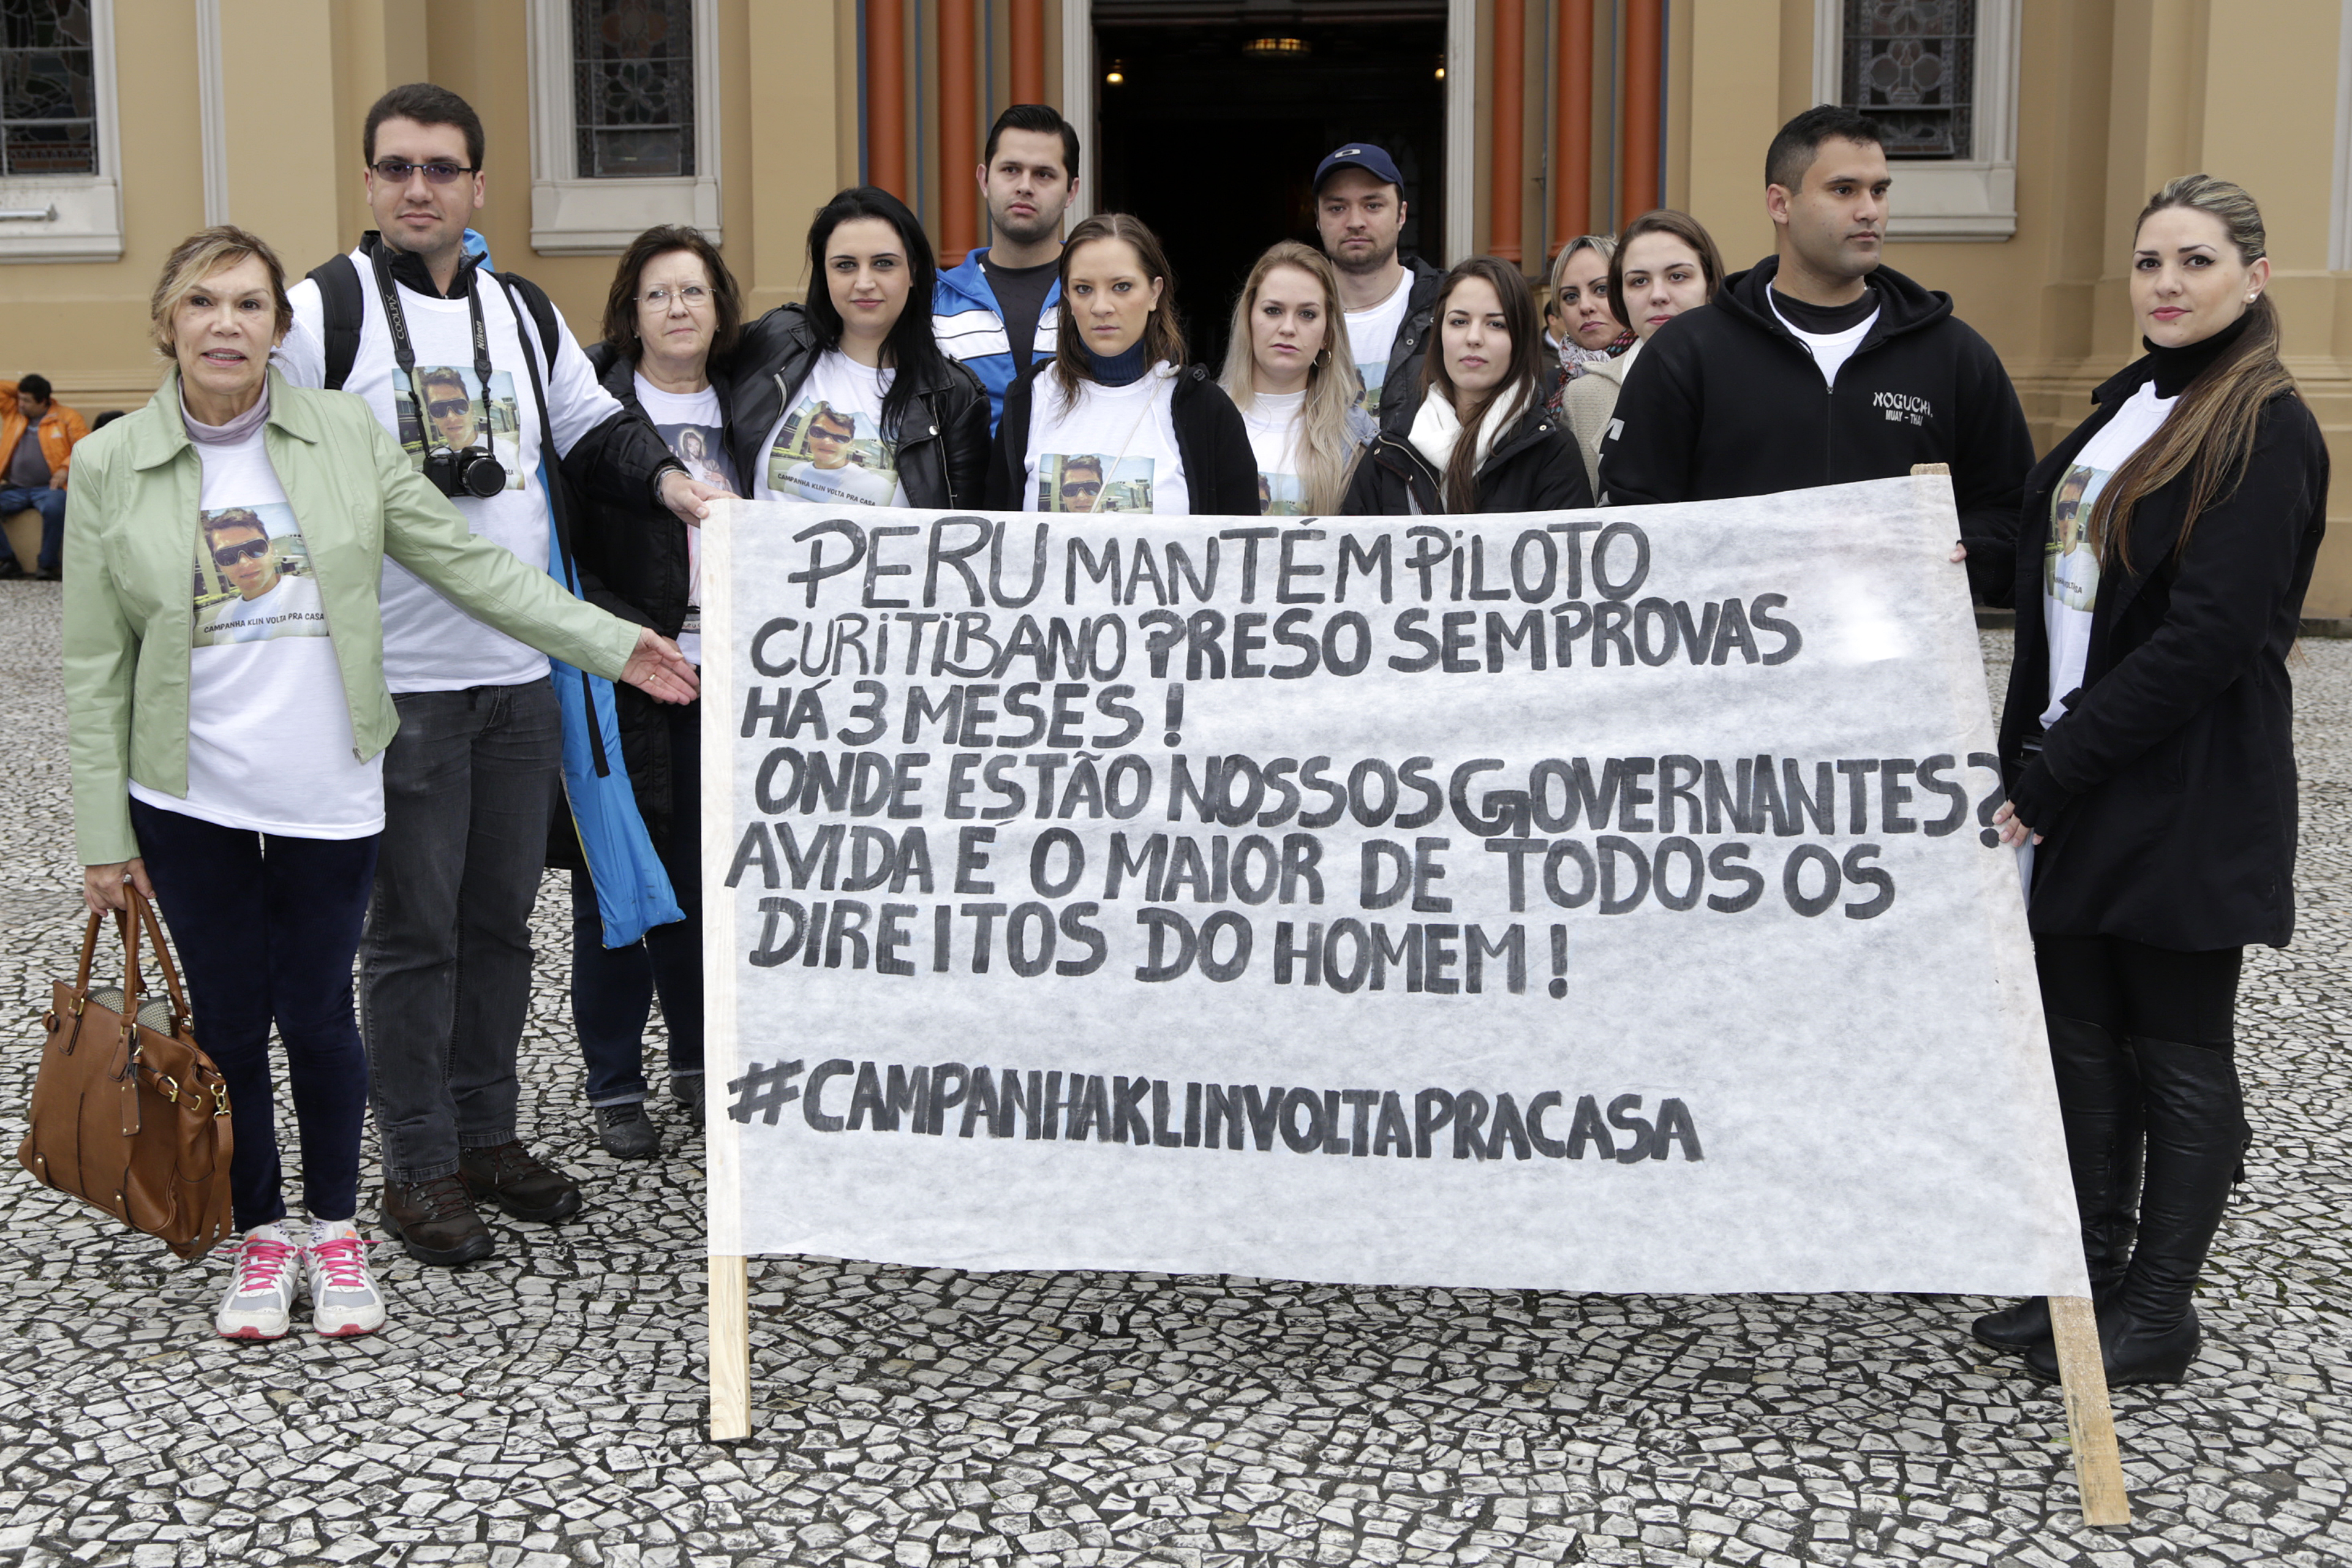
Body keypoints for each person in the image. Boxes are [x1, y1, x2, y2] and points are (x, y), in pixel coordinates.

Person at [64, 226, 696, 1341]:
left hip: (329, 780)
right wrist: (104, 837)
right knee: (230, 1019)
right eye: (204, 303)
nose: (226, 325)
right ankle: (262, 1234)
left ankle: (337, 1228)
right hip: (192, 789)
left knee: (317, 1015)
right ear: (166, 320)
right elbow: (93, 662)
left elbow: (467, 562)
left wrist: (607, 641)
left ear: (277, 329)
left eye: (250, 306)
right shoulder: (112, 462)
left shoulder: (344, 435)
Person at [273, 83, 729, 1268]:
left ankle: (486, 1135)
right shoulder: (322, 312)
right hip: (403, 685)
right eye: (395, 168)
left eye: (441, 168)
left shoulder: (521, 311)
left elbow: (592, 429)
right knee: (412, 933)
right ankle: (417, 1162)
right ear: (370, 183)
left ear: (478, 186)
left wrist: (676, 483)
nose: (417, 188)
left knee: (499, 924)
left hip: (522, 676)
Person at [1970, 176, 2327, 1388]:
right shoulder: (2132, 405)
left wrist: (2055, 769)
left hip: (2177, 787)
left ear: (2253, 277)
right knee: (2079, 1040)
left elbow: (2210, 635)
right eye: (2150, 262)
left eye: (2197, 261)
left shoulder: (2265, 422)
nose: (2168, 283)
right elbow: (2058, 568)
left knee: (2173, 1045)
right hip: (2079, 773)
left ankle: (2160, 1306)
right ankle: (2085, 1274)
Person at [1596, 104, 2034, 601]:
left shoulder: (1955, 355)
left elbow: (2012, 511)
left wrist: (1960, 551)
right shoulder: (1688, 352)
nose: (1869, 210)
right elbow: (1630, 517)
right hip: (1737, 657)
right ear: (1780, 203)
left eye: (1880, 191)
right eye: (1843, 191)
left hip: (1898, 661)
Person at [568, 224, 744, 1159]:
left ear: (722, 309)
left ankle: (699, 1062)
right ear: (631, 314)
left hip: (735, 685)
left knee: (710, 884)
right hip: (628, 677)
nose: (678, 309)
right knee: (619, 884)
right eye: (657, 294)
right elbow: (561, 550)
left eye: (695, 292)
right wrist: (616, 637)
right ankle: (614, 1079)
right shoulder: (593, 415)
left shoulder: (756, 402)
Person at [726, 187, 988, 513]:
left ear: (913, 273)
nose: (864, 282)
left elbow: (962, 532)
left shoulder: (954, 396)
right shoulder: (775, 340)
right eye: (846, 265)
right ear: (824, 273)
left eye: (883, 264)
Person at [985, 212, 1257, 517]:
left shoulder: (1204, 408)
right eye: (1083, 289)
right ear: (1067, 296)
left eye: (1122, 287)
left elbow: (1241, 550)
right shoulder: (1029, 398)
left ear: (1155, 292)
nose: (1101, 307)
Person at [1341, 257, 1592, 516]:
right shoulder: (1390, 449)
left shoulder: (1551, 451)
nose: (1473, 338)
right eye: (1459, 322)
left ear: (1520, 338)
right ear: (1439, 332)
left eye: (1496, 324)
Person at [934, 104, 1080, 431]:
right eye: (1011, 170)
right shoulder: (935, 301)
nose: (1025, 186)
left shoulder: (1097, 296)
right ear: (985, 180)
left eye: (1044, 174)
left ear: (1071, 191)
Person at [1559, 211, 1725, 491]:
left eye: (1677, 276)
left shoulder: (1754, 376)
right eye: (1639, 281)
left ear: (1709, 283)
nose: (1658, 294)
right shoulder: (1582, 396)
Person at [1217, 241, 1371, 516]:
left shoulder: (1358, 438)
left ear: (1327, 335)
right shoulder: (1202, 419)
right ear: (1249, 318)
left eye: (1307, 314)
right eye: (1273, 310)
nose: (1288, 328)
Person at [1313, 143, 1444, 436]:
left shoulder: (1447, 308)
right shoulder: (1289, 317)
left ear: (1401, 214)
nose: (1355, 222)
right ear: (1318, 219)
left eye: (1373, 205)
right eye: (1337, 208)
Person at [0, 372, 86, 579]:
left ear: (44, 401)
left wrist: (66, 468)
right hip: (16, 488)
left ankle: (47, 565)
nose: (20, 404)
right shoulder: (14, 413)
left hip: (49, 489)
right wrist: (22, 387)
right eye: (19, 398)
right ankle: (8, 561)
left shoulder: (67, 417)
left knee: (56, 508)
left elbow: (85, 447)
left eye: (27, 400)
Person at [1545, 235, 1634, 401]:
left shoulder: (1660, 369)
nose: (1585, 306)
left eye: (1601, 289)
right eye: (1571, 296)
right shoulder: (1545, 388)